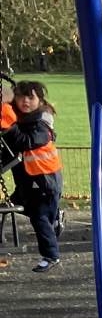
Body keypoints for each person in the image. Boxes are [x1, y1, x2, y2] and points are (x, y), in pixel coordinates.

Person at [4, 80, 63, 274]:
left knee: (39, 217)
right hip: (27, 180)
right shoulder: (22, 118)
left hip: (45, 180)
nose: (25, 101)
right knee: (19, 206)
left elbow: (25, 141)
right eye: (20, 97)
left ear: (40, 100)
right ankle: (55, 218)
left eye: (30, 97)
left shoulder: (42, 124)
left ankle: (51, 256)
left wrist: (8, 124)